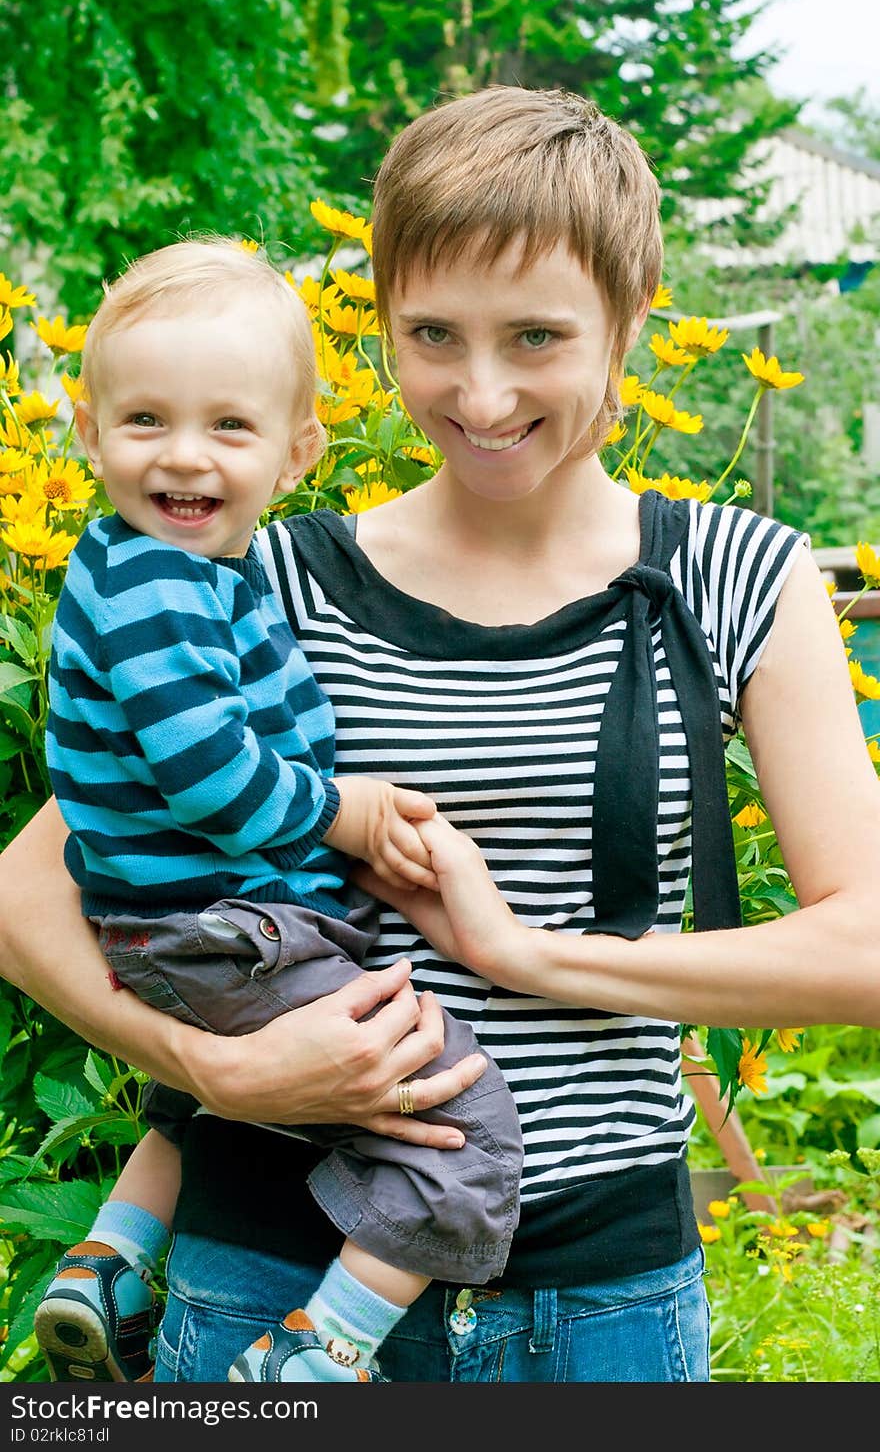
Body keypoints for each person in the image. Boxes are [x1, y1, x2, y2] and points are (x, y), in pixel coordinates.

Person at [1, 84, 878, 1386]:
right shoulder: (267, 573)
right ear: (383, 319)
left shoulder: (736, 577)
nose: (479, 392)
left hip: (604, 1305)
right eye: (431, 334)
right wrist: (209, 1063)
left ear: (629, 324)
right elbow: (23, 891)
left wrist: (525, 952)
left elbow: (862, 944)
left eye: (536, 335)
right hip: (263, 1279)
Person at [30, 237, 522, 1386]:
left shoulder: (185, 571)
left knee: (200, 1104)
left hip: (182, 923)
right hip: (220, 923)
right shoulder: (158, 581)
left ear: (299, 449)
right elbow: (210, 775)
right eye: (144, 421)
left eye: (228, 427)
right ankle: (324, 1348)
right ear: (90, 435)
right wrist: (344, 813)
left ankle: (107, 1258)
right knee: (460, 1114)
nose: (183, 456)